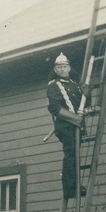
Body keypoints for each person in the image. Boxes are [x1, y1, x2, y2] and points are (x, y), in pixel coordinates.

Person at [46, 52, 90, 199]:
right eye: (60, 67)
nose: (63, 69)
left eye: (65, 66)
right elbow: (55, 108)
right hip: (65, 125)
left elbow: (84, 107)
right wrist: (74, 119)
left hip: (76, 126)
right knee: (71, 153)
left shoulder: (76, 85)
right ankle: (70, 188)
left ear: (69, 68)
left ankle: (76, 185)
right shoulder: (53, 86)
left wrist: (86, 94)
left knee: (75, 155)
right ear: (56, 70)